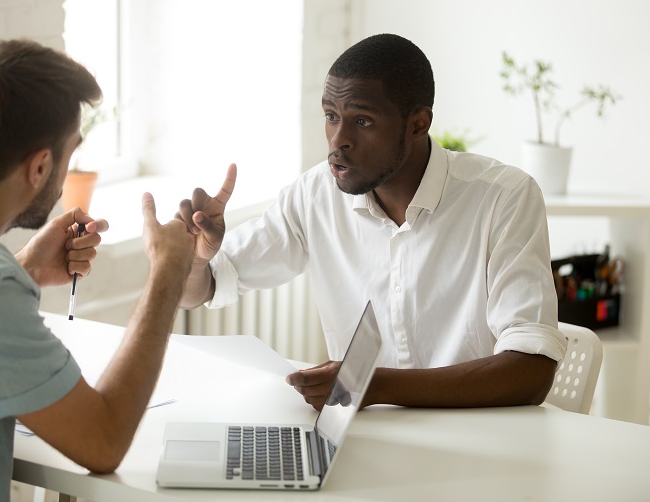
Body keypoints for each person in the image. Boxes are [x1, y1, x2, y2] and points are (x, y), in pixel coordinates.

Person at [177, 33, 567, 411]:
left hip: (484, 445)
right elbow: (201, 290)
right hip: (363, 439)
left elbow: (531, 371)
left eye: (362, 121)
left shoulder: (503, 197)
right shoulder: (316, 194)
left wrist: (369, 383)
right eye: (331, 116)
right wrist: (195, 261)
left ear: (417, 124)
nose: (337, 140)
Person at [0, 40, 195, 500]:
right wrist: (167, 274)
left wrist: (26, 268)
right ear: (40, 166)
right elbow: (103, 441)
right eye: (69, 155)